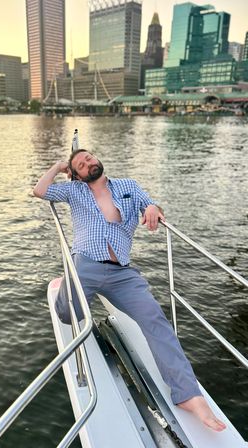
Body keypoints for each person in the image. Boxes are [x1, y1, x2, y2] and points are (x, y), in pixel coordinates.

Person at [33, 149, 226, 432]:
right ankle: (69, 278)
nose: (89, 164)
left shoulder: (128, 186)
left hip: (122, 273)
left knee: (156, 321)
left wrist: (152, 209)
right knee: (67, 314)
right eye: (81, 165)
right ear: (77, 174)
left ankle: (188, 396)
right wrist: (60, 165)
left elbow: (153, 207)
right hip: (86, 265)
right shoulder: (74, 191)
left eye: (89, 158)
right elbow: (40, 191)